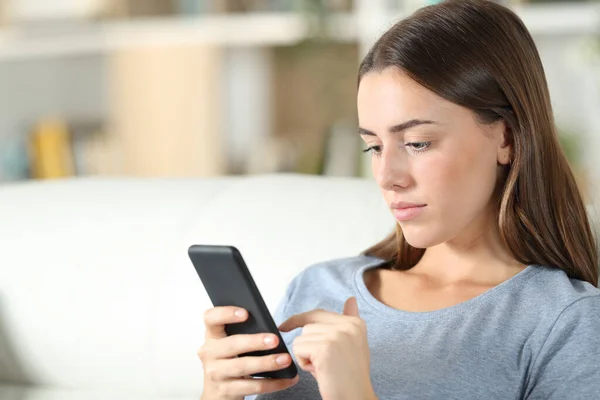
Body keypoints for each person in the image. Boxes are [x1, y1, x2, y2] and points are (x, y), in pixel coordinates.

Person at [197, 0, 600, 399]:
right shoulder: (317, 287)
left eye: (417, 142)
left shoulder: (564, 322)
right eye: (373, 147)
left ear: (507, 138)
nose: (388, 177)